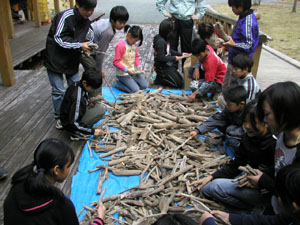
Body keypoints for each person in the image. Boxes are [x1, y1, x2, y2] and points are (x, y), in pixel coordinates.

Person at [190, 100, 276, 212]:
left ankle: (261, 209)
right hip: (253, 182)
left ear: (266, 122)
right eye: (245, 121)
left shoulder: (275, 145)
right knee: (207, 188)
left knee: (215, 187)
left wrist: (262, 182)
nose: (247, 126)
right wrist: (211, 177)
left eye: (253, 123)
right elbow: (236, 164)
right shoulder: (248, 138)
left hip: (272, 192)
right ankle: (256, 208)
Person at [3, 138, 106, 225]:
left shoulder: (17, 186)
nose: (69, 170)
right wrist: (99, 219)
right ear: (56, 170)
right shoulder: (60, 205)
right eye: (68, 166)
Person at [44, 0, 97, 129]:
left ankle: (75, 113)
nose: (90, 12)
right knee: (59, 91)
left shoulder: (86, 21)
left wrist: (89, 46)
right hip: (55, 59)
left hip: (72, 60)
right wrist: (80, 45)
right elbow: (58, 38)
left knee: (76, 87)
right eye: (87, 9)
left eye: (92, 9)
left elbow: (90, 37)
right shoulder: (65, 16)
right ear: (78, 5)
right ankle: (60, 118)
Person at [250, 81, 300, 214]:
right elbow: (278, 166)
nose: (265, 120)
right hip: (274, 201)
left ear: (285, 113)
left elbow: (291, 193)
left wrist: (263, 181)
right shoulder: (281, 136)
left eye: (267, 114)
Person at [199, 165, 300, 225]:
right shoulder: (292, 215)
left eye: (279, 195)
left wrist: (208, 222)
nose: (277, 197)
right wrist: (230, 217)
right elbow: (274, 221)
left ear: (294, 206)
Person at [89, 6, 129, 96]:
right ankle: (95, 97)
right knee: (94, 76)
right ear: (113, 20)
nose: (123, 25)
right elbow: (100, 53)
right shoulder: (108, 32)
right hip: (87, 50)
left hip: (92, 47)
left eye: (125, 23)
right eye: (120, 22)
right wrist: (99, 70)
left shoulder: (107, 23)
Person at [156, 0, 207, 70]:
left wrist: (199, 15)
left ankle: (185, 72)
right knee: (171, 47)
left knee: (187, 48)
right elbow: (160, 2)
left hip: (187, 20)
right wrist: (164, 12)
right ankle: (172, 71)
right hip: (173, 19)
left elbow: (201, 2)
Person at [222, 0, 259, 90]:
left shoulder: (248, 22)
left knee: (231, 87)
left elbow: (249, 45)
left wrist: (234, 45)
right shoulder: (243, 17)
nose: (232, 10)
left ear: (240, 7)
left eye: (233, 8)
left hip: (240, 62)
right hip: (234, 58)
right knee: (228, 84)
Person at [60, 67, 105, 141]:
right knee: (100, 110)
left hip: (68, 117)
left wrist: (87, 103)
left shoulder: (77, 84)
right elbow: (73, 123)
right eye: (92, 88)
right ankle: (76, 133)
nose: (92, 90)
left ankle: (81, 128)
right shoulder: (77, 98)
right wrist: (93, 131)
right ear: (84, 82)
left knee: (98, 107)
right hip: (70, 125)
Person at [153, 18, 191, 89]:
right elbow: (161, 57)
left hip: (167, 65)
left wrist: (181, 54)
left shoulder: (164, 38)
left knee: (180, 80)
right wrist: (174, 58)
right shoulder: (161, 42)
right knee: (177, 84)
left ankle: (164, 76)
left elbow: (168, 50)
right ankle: (160, 78)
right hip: (161, 67)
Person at [187, 38, 226, 103]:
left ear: (205, 50)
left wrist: (195, 94)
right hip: (212, 76)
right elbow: (199, 60)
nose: (198, 58)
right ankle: (201, 95)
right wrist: (197, 67)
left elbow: (208, 83)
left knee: (193, 85)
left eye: (199, 55)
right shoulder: (207, 47)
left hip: (219, 82)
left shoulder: (210, 62)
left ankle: (207, 97)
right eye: (197, 56)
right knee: (192, 69)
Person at [112, 25, 148, 93]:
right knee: (136, 90)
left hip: (132, 71)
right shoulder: (120, 45)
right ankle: (117, 84)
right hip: (122, 73)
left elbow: (136, 56)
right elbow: (115, 62)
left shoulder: (133, 44)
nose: (135, 42)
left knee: (144, 86)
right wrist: (126, 70)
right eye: (135, 40)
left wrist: (139, 66)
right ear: (129, 35)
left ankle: (130, 83)